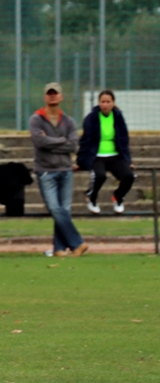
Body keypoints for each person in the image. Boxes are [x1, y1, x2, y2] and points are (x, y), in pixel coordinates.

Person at [29, 82, 87, 257]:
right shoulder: (36, 119)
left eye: (56, 93)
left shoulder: (68, 121)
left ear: (61, 96)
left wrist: (52, 142)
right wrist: (62, 140)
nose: (52, 96)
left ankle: (59, 248)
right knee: (55, 208)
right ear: (45, 96)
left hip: (66, 170)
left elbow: (73, 145)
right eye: (49, 93)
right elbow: (40, 142)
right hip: (45, 170)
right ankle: (78, 243)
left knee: (64, 210)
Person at [77, 89, 135, 215]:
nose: (105, 104)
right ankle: (91, 197)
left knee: (129, 176)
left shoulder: (118, 117)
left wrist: (128, 160)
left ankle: (118, 197)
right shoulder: (91, 118)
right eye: (102, 101)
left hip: (115, 155)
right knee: (100, 176)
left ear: (113, 103)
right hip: (97, 155)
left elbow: (124, 139)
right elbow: (85, 140)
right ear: (99, 103)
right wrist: (80, 161)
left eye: (108, 101)